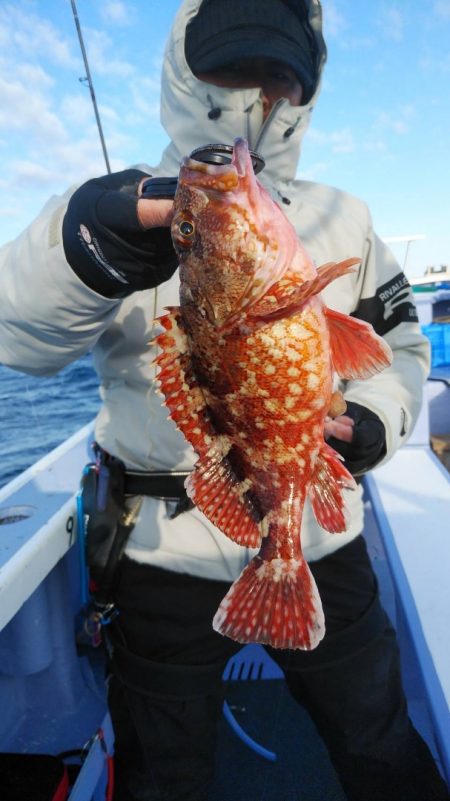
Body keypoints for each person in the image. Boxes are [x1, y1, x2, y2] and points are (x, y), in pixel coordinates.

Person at [0, 1, 448, 799]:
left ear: (306, 89)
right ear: (183, 71)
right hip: (157, 552)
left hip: (315, 536)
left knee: (380, 741)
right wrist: (82, 251)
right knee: (163, 775)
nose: (256, 93)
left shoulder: (346, 217)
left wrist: (379, 419)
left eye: (279, 72)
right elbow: (17, 336)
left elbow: (400, 349)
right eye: (231, 66)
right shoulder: (118, 206)